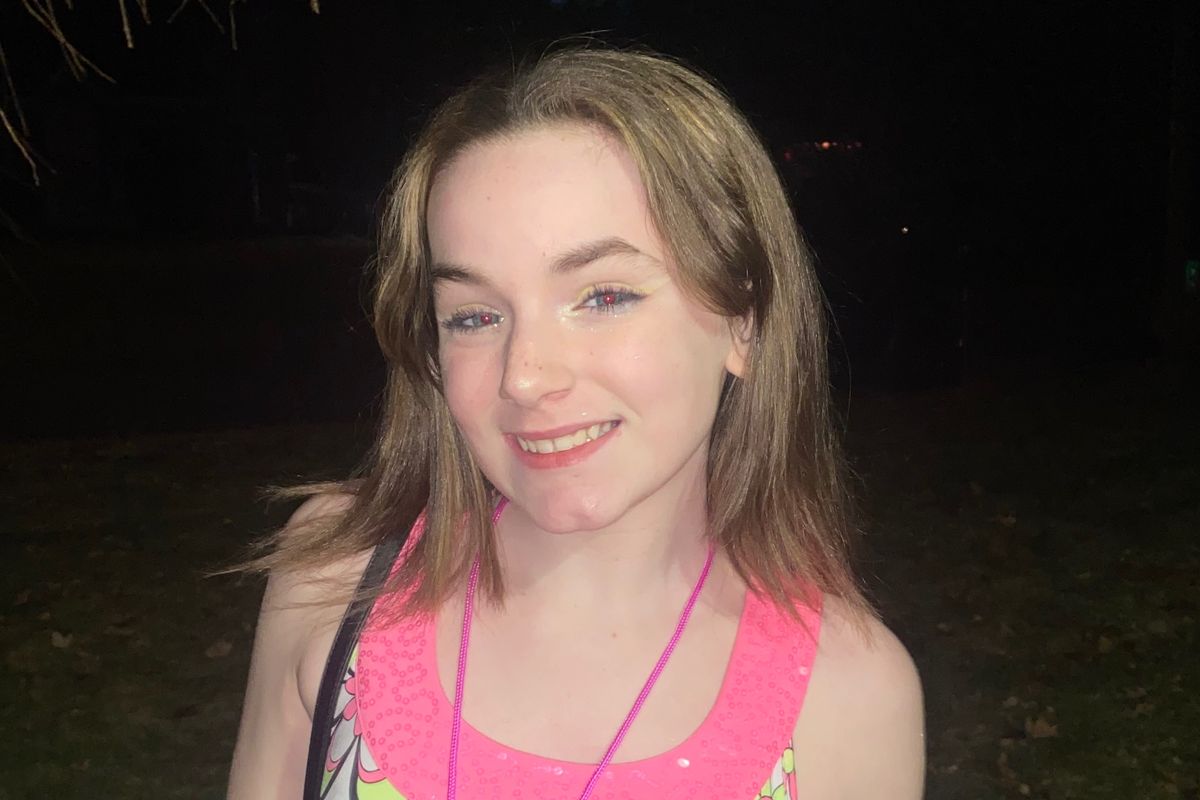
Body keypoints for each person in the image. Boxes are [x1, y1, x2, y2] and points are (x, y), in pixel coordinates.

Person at [227, 46, 925, 800]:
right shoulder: (334, 583)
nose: (525, 376)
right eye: (475, 315)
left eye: (603, 297)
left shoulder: (847, 698)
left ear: (743, 323)